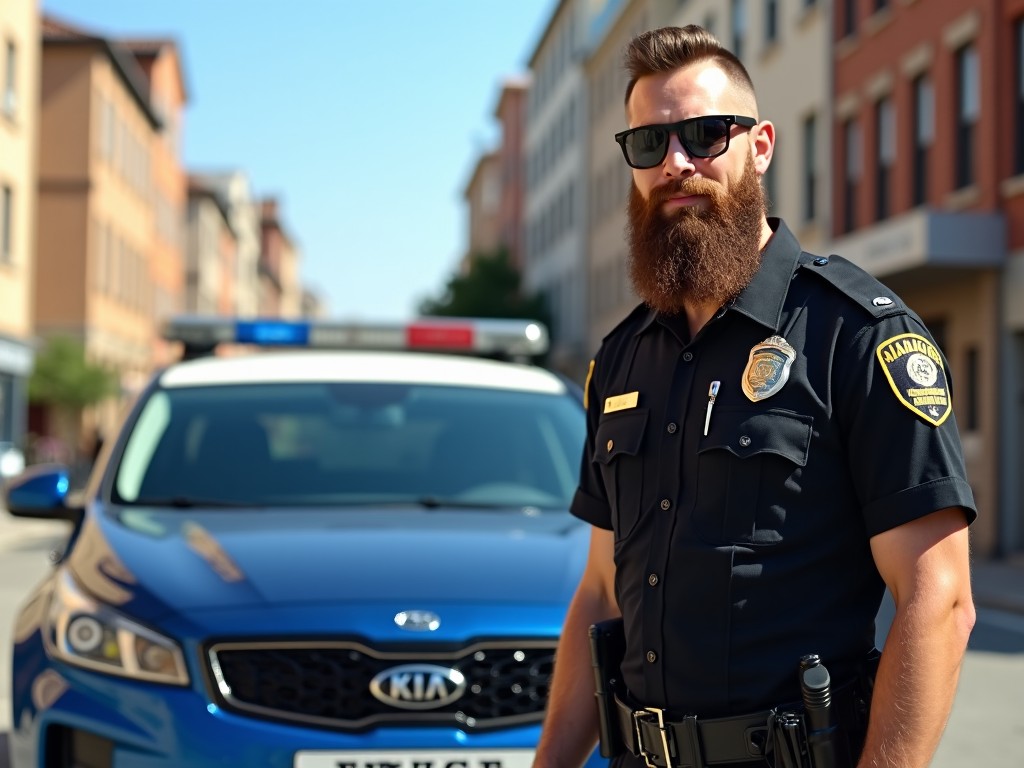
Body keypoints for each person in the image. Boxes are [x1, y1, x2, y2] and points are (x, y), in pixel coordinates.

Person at [533, 25, 976, 768]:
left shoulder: (857, 337)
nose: (676, 163)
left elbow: (940, 597)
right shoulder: (620, 360)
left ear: (761, 145)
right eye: (649, 144)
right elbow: (602, 593)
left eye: (705, 135)